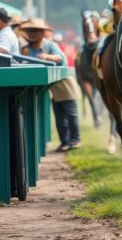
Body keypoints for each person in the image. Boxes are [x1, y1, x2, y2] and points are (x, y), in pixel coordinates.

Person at [21, 18, 81, 152]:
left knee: (71, 113)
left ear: (42, 33)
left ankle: (75, 140)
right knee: (59, 117)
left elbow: (61, 58)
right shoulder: (26, 49)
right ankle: (65, 141)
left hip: (64, 84)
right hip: (52, 87)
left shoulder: (51, 45)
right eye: (30, 31)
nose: (32, 34)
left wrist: (47, 57)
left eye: (35, 31)